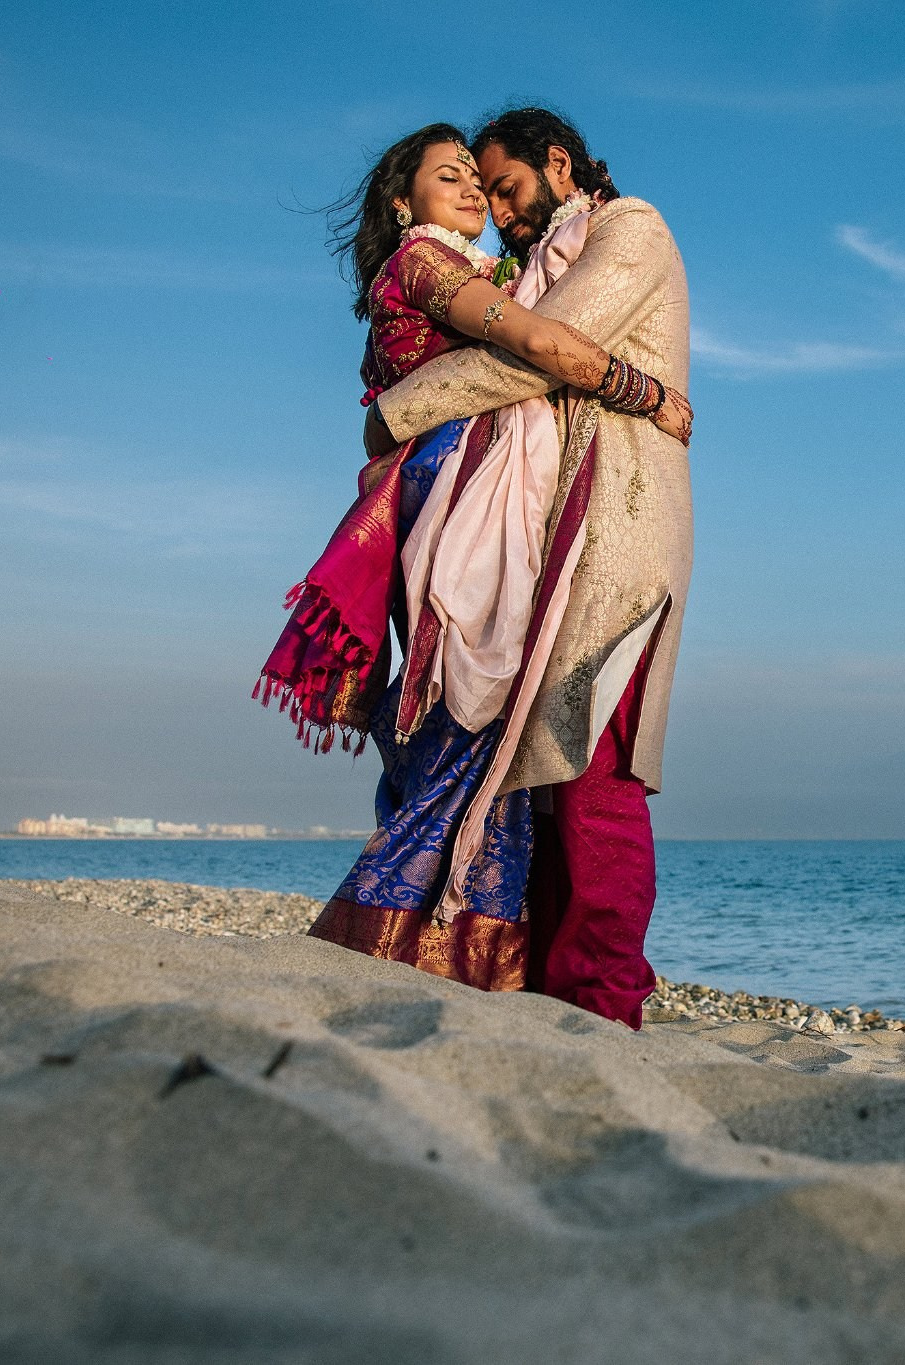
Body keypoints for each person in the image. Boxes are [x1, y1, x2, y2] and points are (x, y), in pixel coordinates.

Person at [260, 121, 687, 992]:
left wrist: (394, 412)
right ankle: (498, 969)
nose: (489, 205)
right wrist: (646, 392)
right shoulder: (445, 263)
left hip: (611, 532)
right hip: (491, 515)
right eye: (463, 181)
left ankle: (584, 992)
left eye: (500, 187)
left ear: (558, 165)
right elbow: (533, 349)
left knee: (570, 767)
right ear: (402, 201)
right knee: (490, 738)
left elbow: (542, 344)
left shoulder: (627, 226)